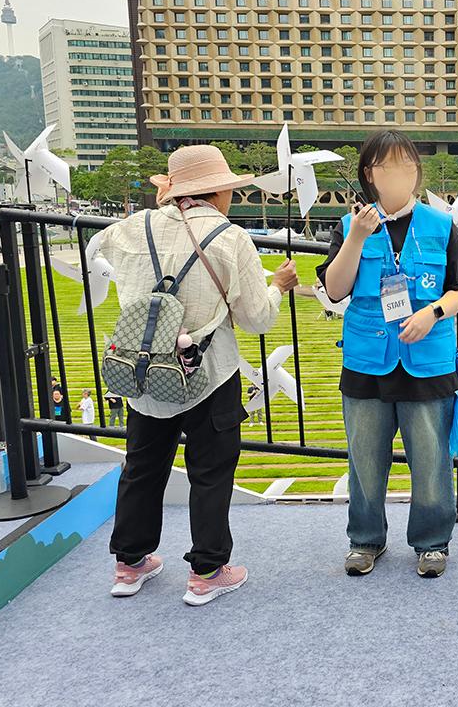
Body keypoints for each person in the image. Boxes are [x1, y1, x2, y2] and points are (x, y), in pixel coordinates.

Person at [97, 144, 298, 606]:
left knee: (143, 467)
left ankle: (129, 564)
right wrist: (278, 287)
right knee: (209, 470)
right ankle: (207, 570)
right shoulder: (230, 238)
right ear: (218, 192)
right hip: (207, 371)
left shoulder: (130, 228)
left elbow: (110, 253)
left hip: (143, 370)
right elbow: (257, 319)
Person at [317, 129, 458, 579]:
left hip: (427, 360)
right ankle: (365, 540)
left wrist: (433, 312)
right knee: (365, 460)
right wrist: (356, 238)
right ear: (371, 173)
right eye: (391, 167)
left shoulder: (440, 224)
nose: (403, 175)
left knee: (430, 460)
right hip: (367, 361)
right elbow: (335, 289)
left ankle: (431, 543)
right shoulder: (351, 225)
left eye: (409, 166)